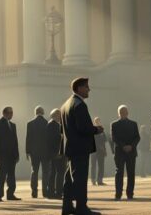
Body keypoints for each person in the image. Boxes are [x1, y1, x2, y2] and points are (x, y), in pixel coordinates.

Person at [60, 77, 102, 215]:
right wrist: (97, 129)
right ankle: (81, 208)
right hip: (80, 148)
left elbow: (63, 130)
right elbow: (83, 128)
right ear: (79, 88)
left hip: (70, 147)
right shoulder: (79, 105)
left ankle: (67, 206)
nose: (89, 89)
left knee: (69, 179)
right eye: (86, 87)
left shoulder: (65, 105)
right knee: (80, 179)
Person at [110, 105, 140, 201]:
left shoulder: (116, 124)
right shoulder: (116, 124)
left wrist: (127, 146)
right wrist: (128, 146)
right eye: (122, 112)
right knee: (124, 173)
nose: (123, 113)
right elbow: (114, 138)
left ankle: (122, 194)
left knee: (124, 173)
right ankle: (125, 194)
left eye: (124, 112)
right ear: (119, 113)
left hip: (123, 151)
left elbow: (137, 137)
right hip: (125, 151)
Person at [0, 106, 20, 202]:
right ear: (4, 113)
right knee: (1, 175)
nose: (11, 115)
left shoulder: (13, 125)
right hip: (2, 155)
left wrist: (17, 154)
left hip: (12, 155)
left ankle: (10, 194)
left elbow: (15, 141)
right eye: (9, 113)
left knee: (11, 175)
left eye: (12, 113)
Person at [26, 106, 50, 199]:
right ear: (43, 112)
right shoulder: (47, 123)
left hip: (34, 152)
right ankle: (45, 191)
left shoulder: (30, 123)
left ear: (35, 112)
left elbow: (28, 138)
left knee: (34, 172)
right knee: (45, 172)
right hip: (45, 152)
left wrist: (27, 151)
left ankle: (34, 192)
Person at [47, 108, 65, 199]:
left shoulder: (56, 124)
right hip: (56, 153)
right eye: (59, 115)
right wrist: (56, 153)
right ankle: (56, 192)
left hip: (57, 152)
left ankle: (55, 192)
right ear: (56, 115)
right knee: (57, 173)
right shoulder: (51, 125)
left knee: (56, 173)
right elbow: (52, 140)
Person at [90, 118, 107, 187]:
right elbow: (93, 139)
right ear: (94, 122)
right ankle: (93, 180)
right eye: (97, 121)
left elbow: (105, 140)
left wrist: (104, 150)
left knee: (101, 166)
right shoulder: (92, 129)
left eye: (99, 121)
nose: (98, 122)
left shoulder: (102, 130)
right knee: (93, 166)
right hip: (94, 150)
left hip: (101, 151)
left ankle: (100, 180)